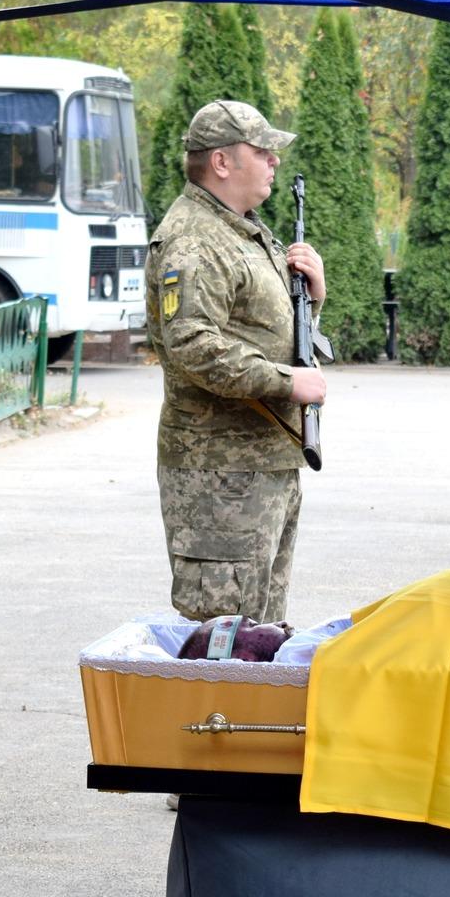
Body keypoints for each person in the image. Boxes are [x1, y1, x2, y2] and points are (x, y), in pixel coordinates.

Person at [146, 100, 326, 624]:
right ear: (221, 162)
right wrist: (287, 382)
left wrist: (312, 298)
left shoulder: (239, 227)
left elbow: (260, 327)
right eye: (261, 150)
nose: (274, 160)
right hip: (219, 475)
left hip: (261, 463)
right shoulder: (195, 238)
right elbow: (193, 345)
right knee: (225, 638)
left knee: (262, 633)